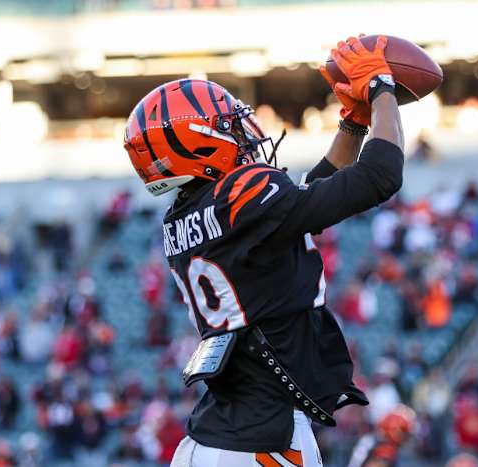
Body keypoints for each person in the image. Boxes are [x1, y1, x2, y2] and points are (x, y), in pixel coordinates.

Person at [123, 35, 404, 466]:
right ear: (197, 145)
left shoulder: (184, 218)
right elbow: (380, 175)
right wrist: (384, 87)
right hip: (263, 441)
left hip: (209, 440)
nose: (245, 135)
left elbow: (307, 201)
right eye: (229, 127)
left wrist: (353, 123)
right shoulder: (242, 195)